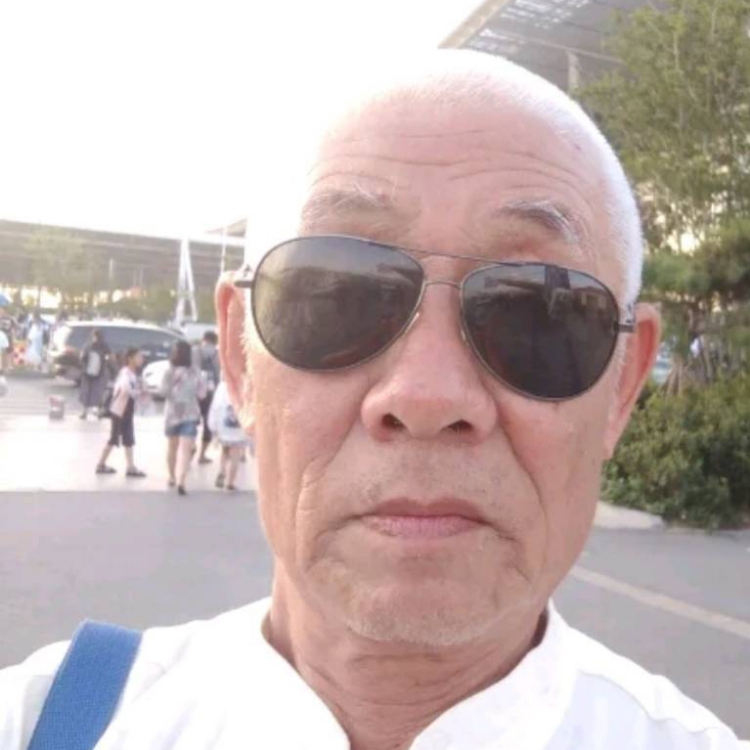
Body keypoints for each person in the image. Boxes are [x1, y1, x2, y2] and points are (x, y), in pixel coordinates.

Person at [0, 51, 742, 750]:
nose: (426, 396)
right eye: (339, 296)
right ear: (239, 358)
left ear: (622, 386)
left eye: (535, 312)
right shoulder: (52, 721)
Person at [161, 339, 207, 496]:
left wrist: (175, 393)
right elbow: (202, 394)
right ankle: (182, 480)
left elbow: (163, 392)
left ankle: (171, 476)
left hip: (172, 414)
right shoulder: (196, 372)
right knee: (186, 449)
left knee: (172, 447)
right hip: (190, 413)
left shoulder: (169, 372)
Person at [96, 347, 146, 478]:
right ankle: (101, 464)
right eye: (139, 357)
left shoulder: (130, 373)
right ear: (130, 359)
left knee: (128, 438)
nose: (141, 359)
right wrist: (139, 392)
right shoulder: (126, 373)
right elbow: (125, 389)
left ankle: (130, 467)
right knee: (114, 438)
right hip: (120, 410)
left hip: (124, 409)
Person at [208, 379, 248, 491]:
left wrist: (213, 426)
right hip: (239, 428)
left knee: (225, 450)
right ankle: (230, 482)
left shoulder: (222, 386)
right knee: (235, 454)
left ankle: (222, 470)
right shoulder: (244, 384)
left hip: (224, 426)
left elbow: (215, 406)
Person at [195, 330, 221, 464]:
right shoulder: (218, 354)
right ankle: (202, 455)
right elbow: (219, 374)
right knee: (208, 423)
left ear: (203, 339)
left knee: (192, 421)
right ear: (215, 341)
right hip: (211, 393)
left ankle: (190, 447)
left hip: (195, 392)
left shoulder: (194, 351)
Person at [78, 328, 111, 420]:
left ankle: (95, 411)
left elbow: (109, 356)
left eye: (97, 336)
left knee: (96, 393)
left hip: (98, 372)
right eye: (95, 336)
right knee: (88, 393)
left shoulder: (103, 346)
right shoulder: (89, 346)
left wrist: (106, 361)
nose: (96, 338)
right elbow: (82, 357)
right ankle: (86, 412)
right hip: (89, 372)